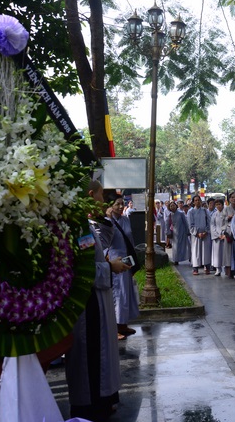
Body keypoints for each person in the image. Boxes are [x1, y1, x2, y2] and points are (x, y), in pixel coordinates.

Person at [65, 180, 126, 421]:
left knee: (102, 353)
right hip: (89, 304)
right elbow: (84, 268)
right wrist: (112, 267)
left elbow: (101, 244)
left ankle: (104, 400)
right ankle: (91, 407)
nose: (103, 200)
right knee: (91, 354)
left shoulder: (87, 224)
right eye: (101, 195)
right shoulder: (79, 227)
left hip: (98, 300)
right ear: (91, 195)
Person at [105, 196, 140, 339]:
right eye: (117, 204)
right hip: (115, 261)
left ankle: (123, 324)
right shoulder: (107, 222)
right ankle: (114, 328)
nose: (120, 207)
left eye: (122, 204)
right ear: (110, 205)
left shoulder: (126, 220)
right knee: (117, 294)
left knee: (126, 293)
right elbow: (105, 242)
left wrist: (132, 262)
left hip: (126, 259)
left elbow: (130, 240)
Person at [187, 195, 212, 275]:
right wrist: (197, 233)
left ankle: (207, 267)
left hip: (205, 234)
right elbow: (190, 224)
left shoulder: (205, 211)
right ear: (193, 202)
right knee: (196, 251)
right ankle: (195, 268)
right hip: (196, 235)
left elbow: (209, 222)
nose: (197, 202)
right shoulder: (190, 212)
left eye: (199, 200)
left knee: (206, 251)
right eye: (196, 200)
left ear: (201, 201)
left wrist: (206, 232)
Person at [222, 191, 235, 279]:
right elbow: (222, 220)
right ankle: (229, 271)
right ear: (229, 199)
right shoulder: (226, 209)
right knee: (228, 252)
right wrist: (228, 217)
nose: (234, 199)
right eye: (232, 197)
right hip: (229, 233)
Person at [210, 198, 227, 275]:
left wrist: (224, 234)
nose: (218, 206)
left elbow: (227, 223)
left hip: (224, 235)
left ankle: (226, 269)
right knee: (217, 253)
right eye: (216, 205)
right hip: (217, 236)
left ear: (222, 205)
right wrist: (217, 234)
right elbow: (212, 225)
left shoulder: (226, 213)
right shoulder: (214, 214)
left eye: (219, 204)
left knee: (225, 253)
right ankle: (218, 269)